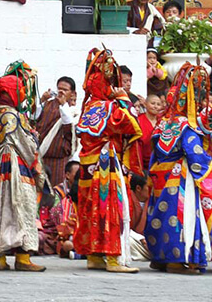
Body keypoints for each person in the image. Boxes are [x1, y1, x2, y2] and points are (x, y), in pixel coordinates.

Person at [74, 48, 144, 273]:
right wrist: (123, 98)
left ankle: (94, 255)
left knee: (91, 209)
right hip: (107, 168)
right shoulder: (109, 108)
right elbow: (134, 125)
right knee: (109, 208)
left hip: (88, 169)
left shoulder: (88, 108)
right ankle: (113, 257)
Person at [146, 64, 212, 274]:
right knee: (178, 218)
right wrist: (208, 165)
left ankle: (160, 257)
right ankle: (177, 260)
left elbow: (154, 153)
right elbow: (196, 156)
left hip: (161, 176)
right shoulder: (187, 128)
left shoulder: (163, 123)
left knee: (160, 217)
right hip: (179, 178)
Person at [0, 71, 46, 271]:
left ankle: (0, 258)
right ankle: (22, 257)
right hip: (16, 168)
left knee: (2, 211)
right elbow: (26, 147)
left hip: (0, 170)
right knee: (22, 209)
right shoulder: (13, 116)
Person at [36, 77, 79, 186]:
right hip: (42, 159)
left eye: (65, 90)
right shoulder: (48, 105)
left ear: (72, 93)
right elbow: (35, 120)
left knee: (56, 194)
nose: (61, 92)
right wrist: (42, 101)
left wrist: (63, 104)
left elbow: (69, 130)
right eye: (59, 89)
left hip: (59, 163)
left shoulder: (73, 111)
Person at [137, 93, 166, 169]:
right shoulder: (138, 120)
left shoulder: (162, 122)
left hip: (159, 163)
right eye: (153, 103)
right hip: (142, 162)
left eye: (158, 104)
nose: (155, 106)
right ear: (145, 104)